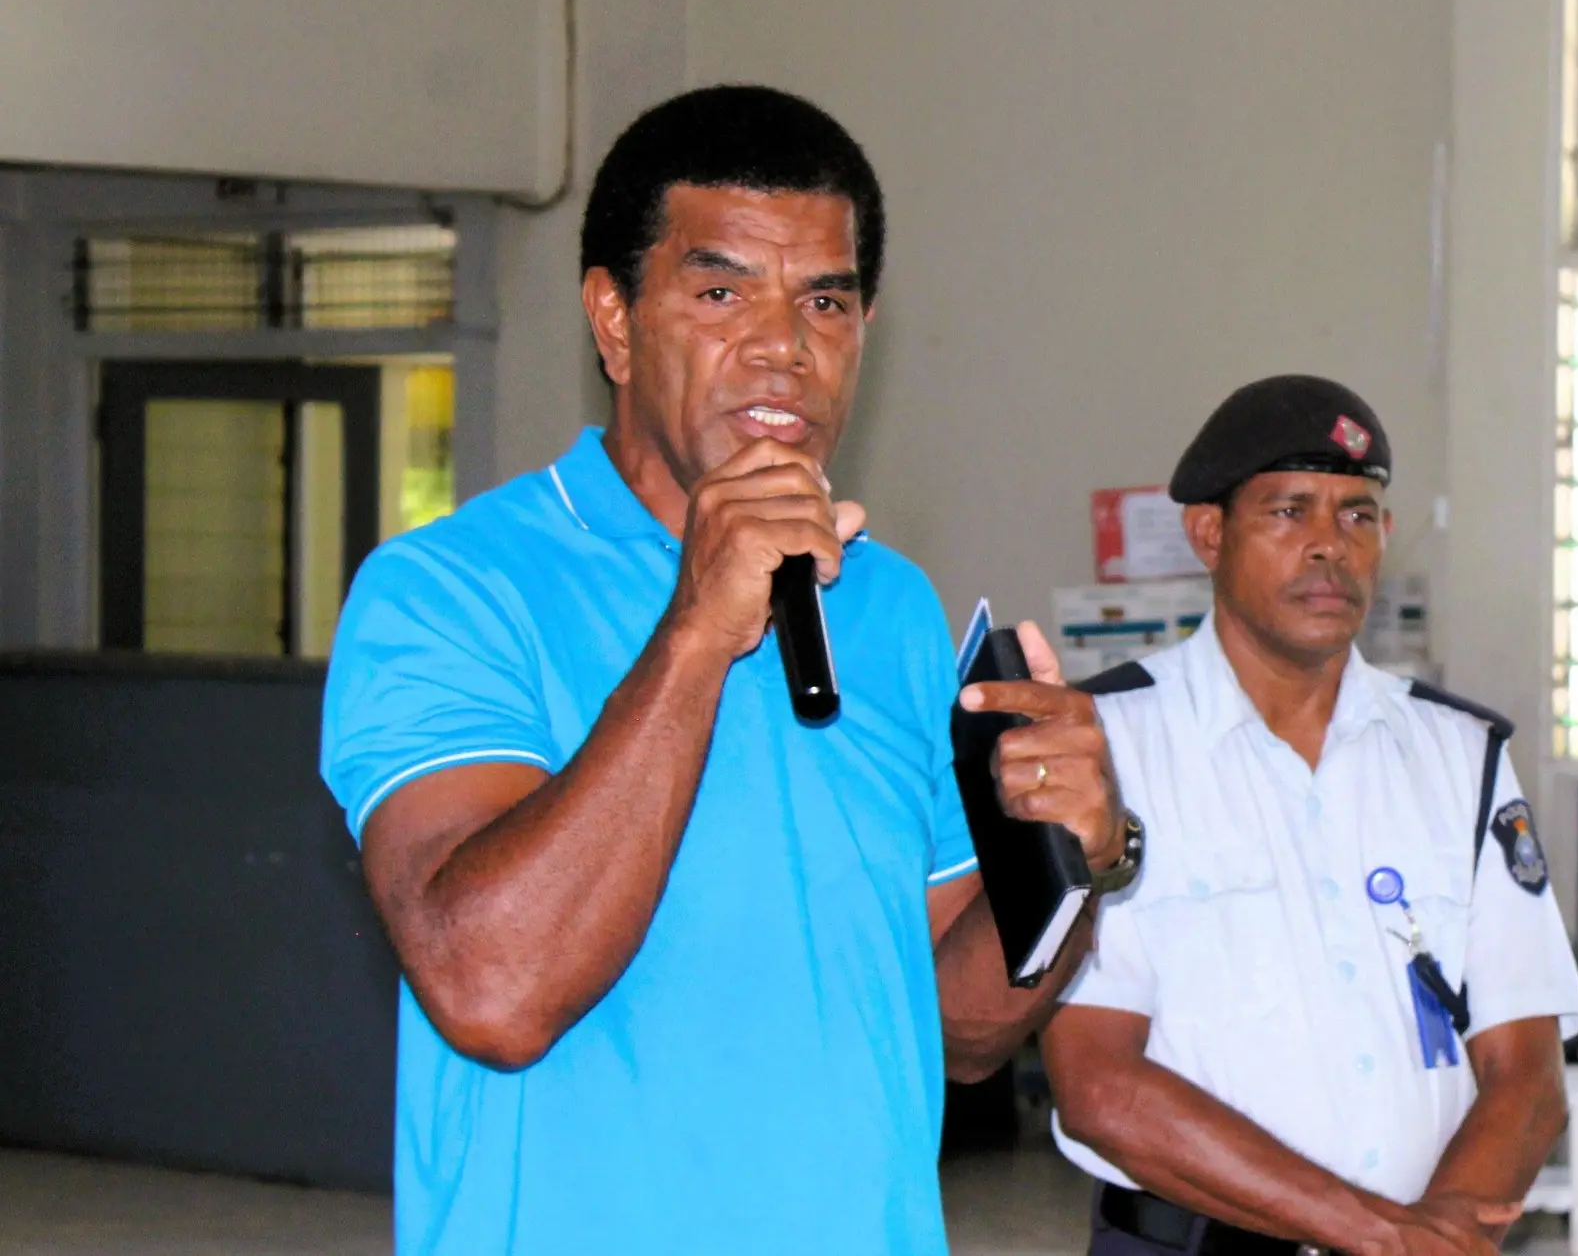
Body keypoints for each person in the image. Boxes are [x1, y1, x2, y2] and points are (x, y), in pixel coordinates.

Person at [320, 85, 1137, 1254]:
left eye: (825, 302)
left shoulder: (892, 607)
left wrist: (1070, 864)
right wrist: (698, 629)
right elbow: (490, 991)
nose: (782, 348)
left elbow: (959, 1031)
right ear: (613, 321)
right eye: (720, 293)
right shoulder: (451, 591)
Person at [1042, 375, 1578, 1256]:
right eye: (1289, 512)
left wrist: (1434, 1236)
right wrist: (1380, 1237)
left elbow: (1526, 1070)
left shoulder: (1460, 755)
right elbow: (1100, 1088)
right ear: (1209, 534)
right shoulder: (1099, 751)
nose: (1330, 545)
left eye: (1356, 515)